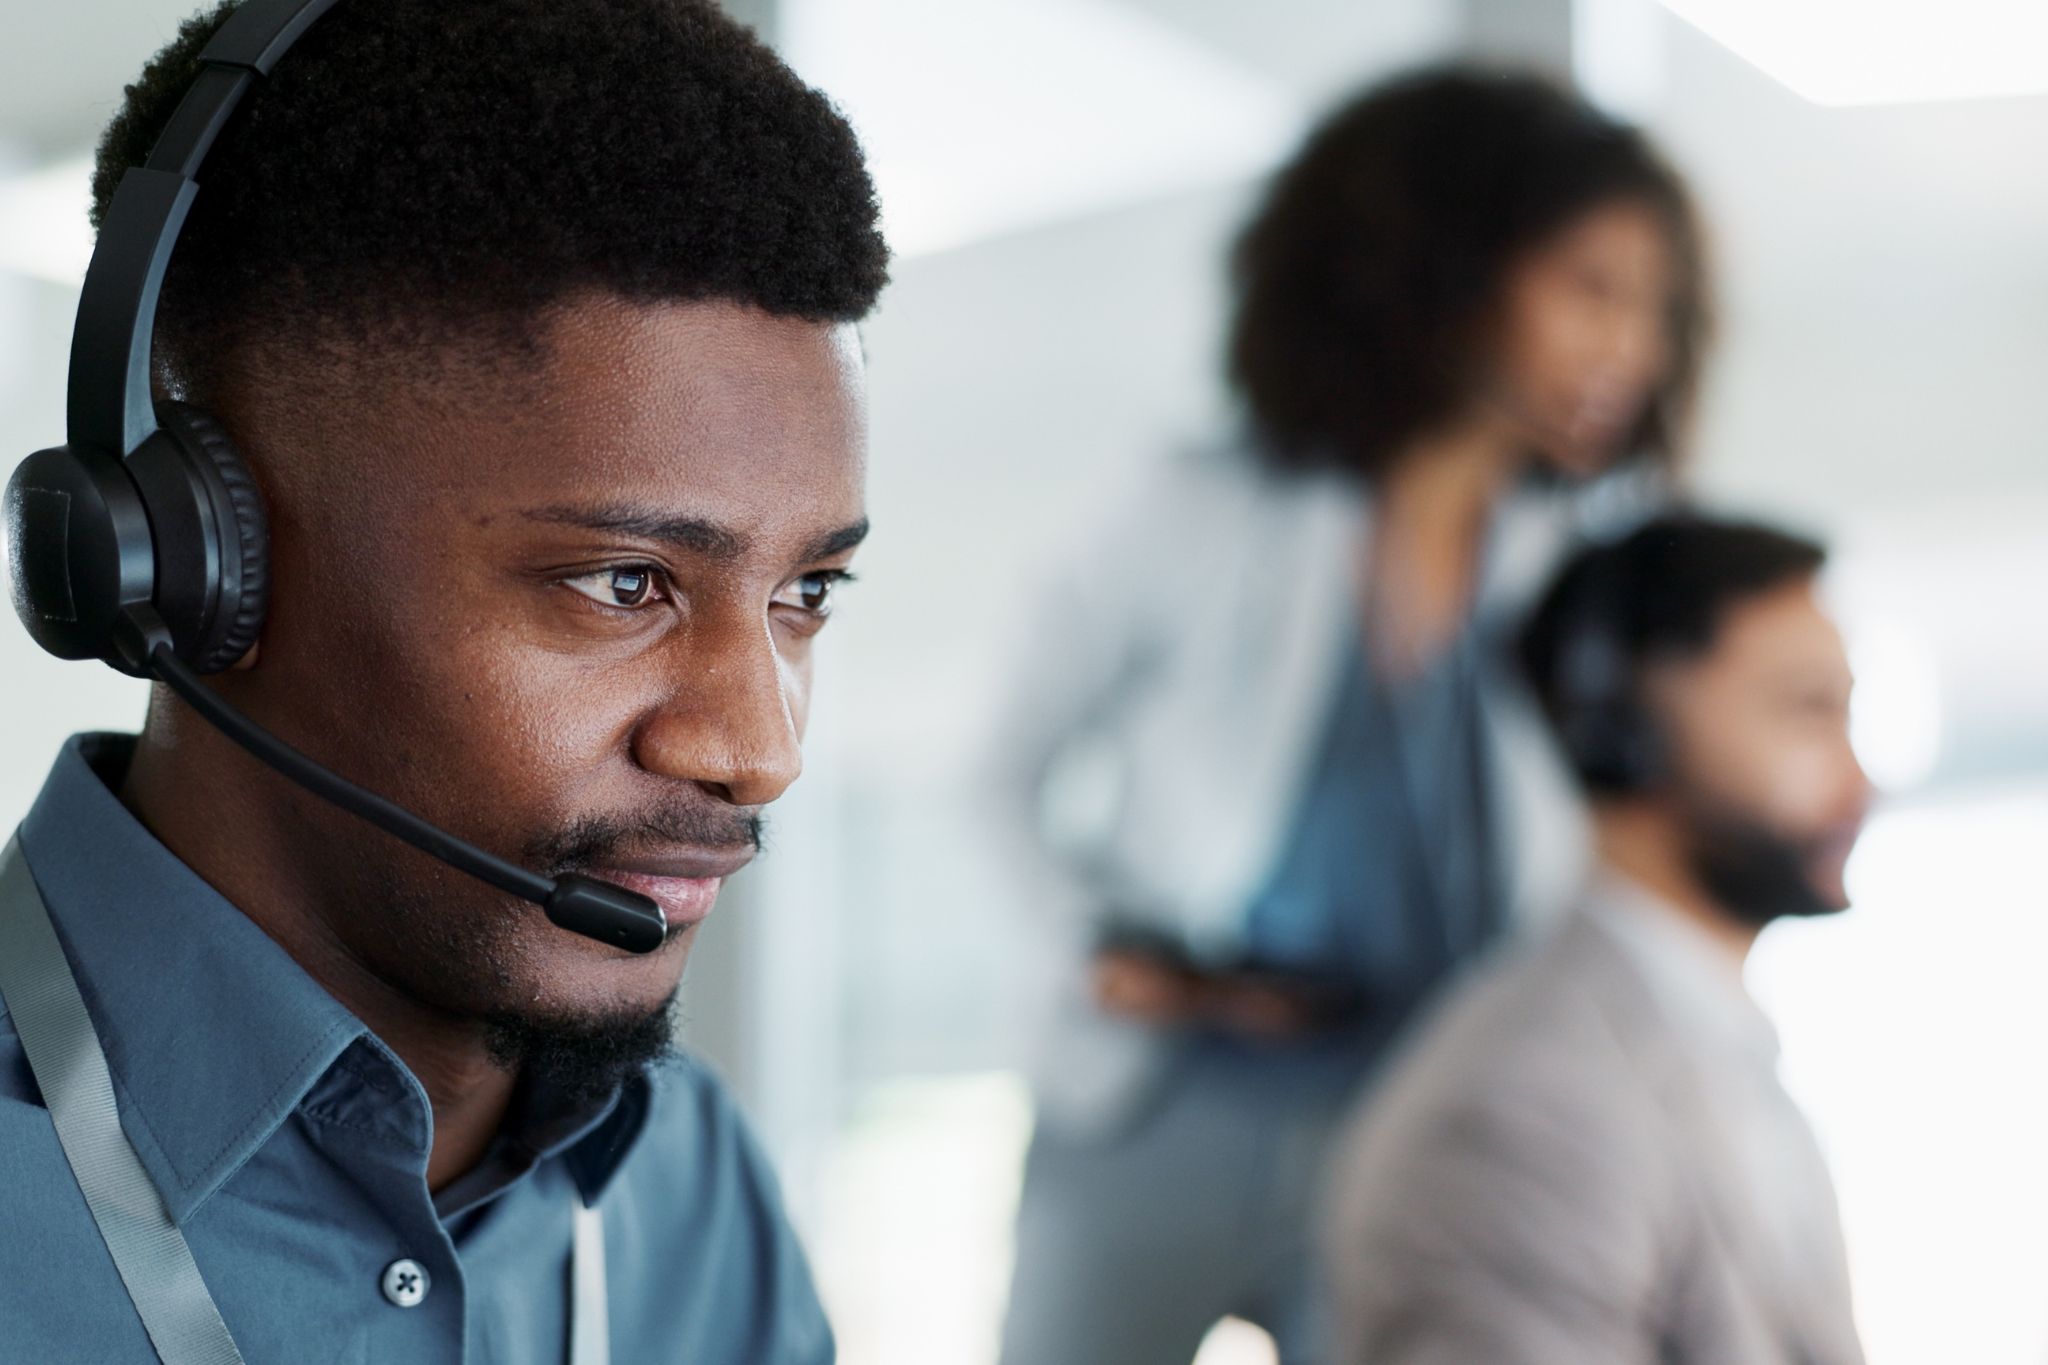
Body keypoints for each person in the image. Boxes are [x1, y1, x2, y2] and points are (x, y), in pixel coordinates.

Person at [0, 0, 886, 1360]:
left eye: (804, 594)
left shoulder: (688, 1184)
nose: (758, 750)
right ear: (197, 562)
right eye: (624, 583)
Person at [992, 67, 1709, 1365]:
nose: (1636, 349)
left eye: (1657, 310)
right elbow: (998, 773)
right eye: (1594, 290)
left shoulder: (1581, 563)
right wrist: (1095, 943)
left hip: (1421, 1107)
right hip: (1163, 1096)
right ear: (1452, 272)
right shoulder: (1197, 507)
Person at [1322, 515, 1872, 1365]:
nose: (1858, 779)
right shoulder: (1516, 1107)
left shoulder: (1725, 1052)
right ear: (1620, 729)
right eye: (1807, 708)